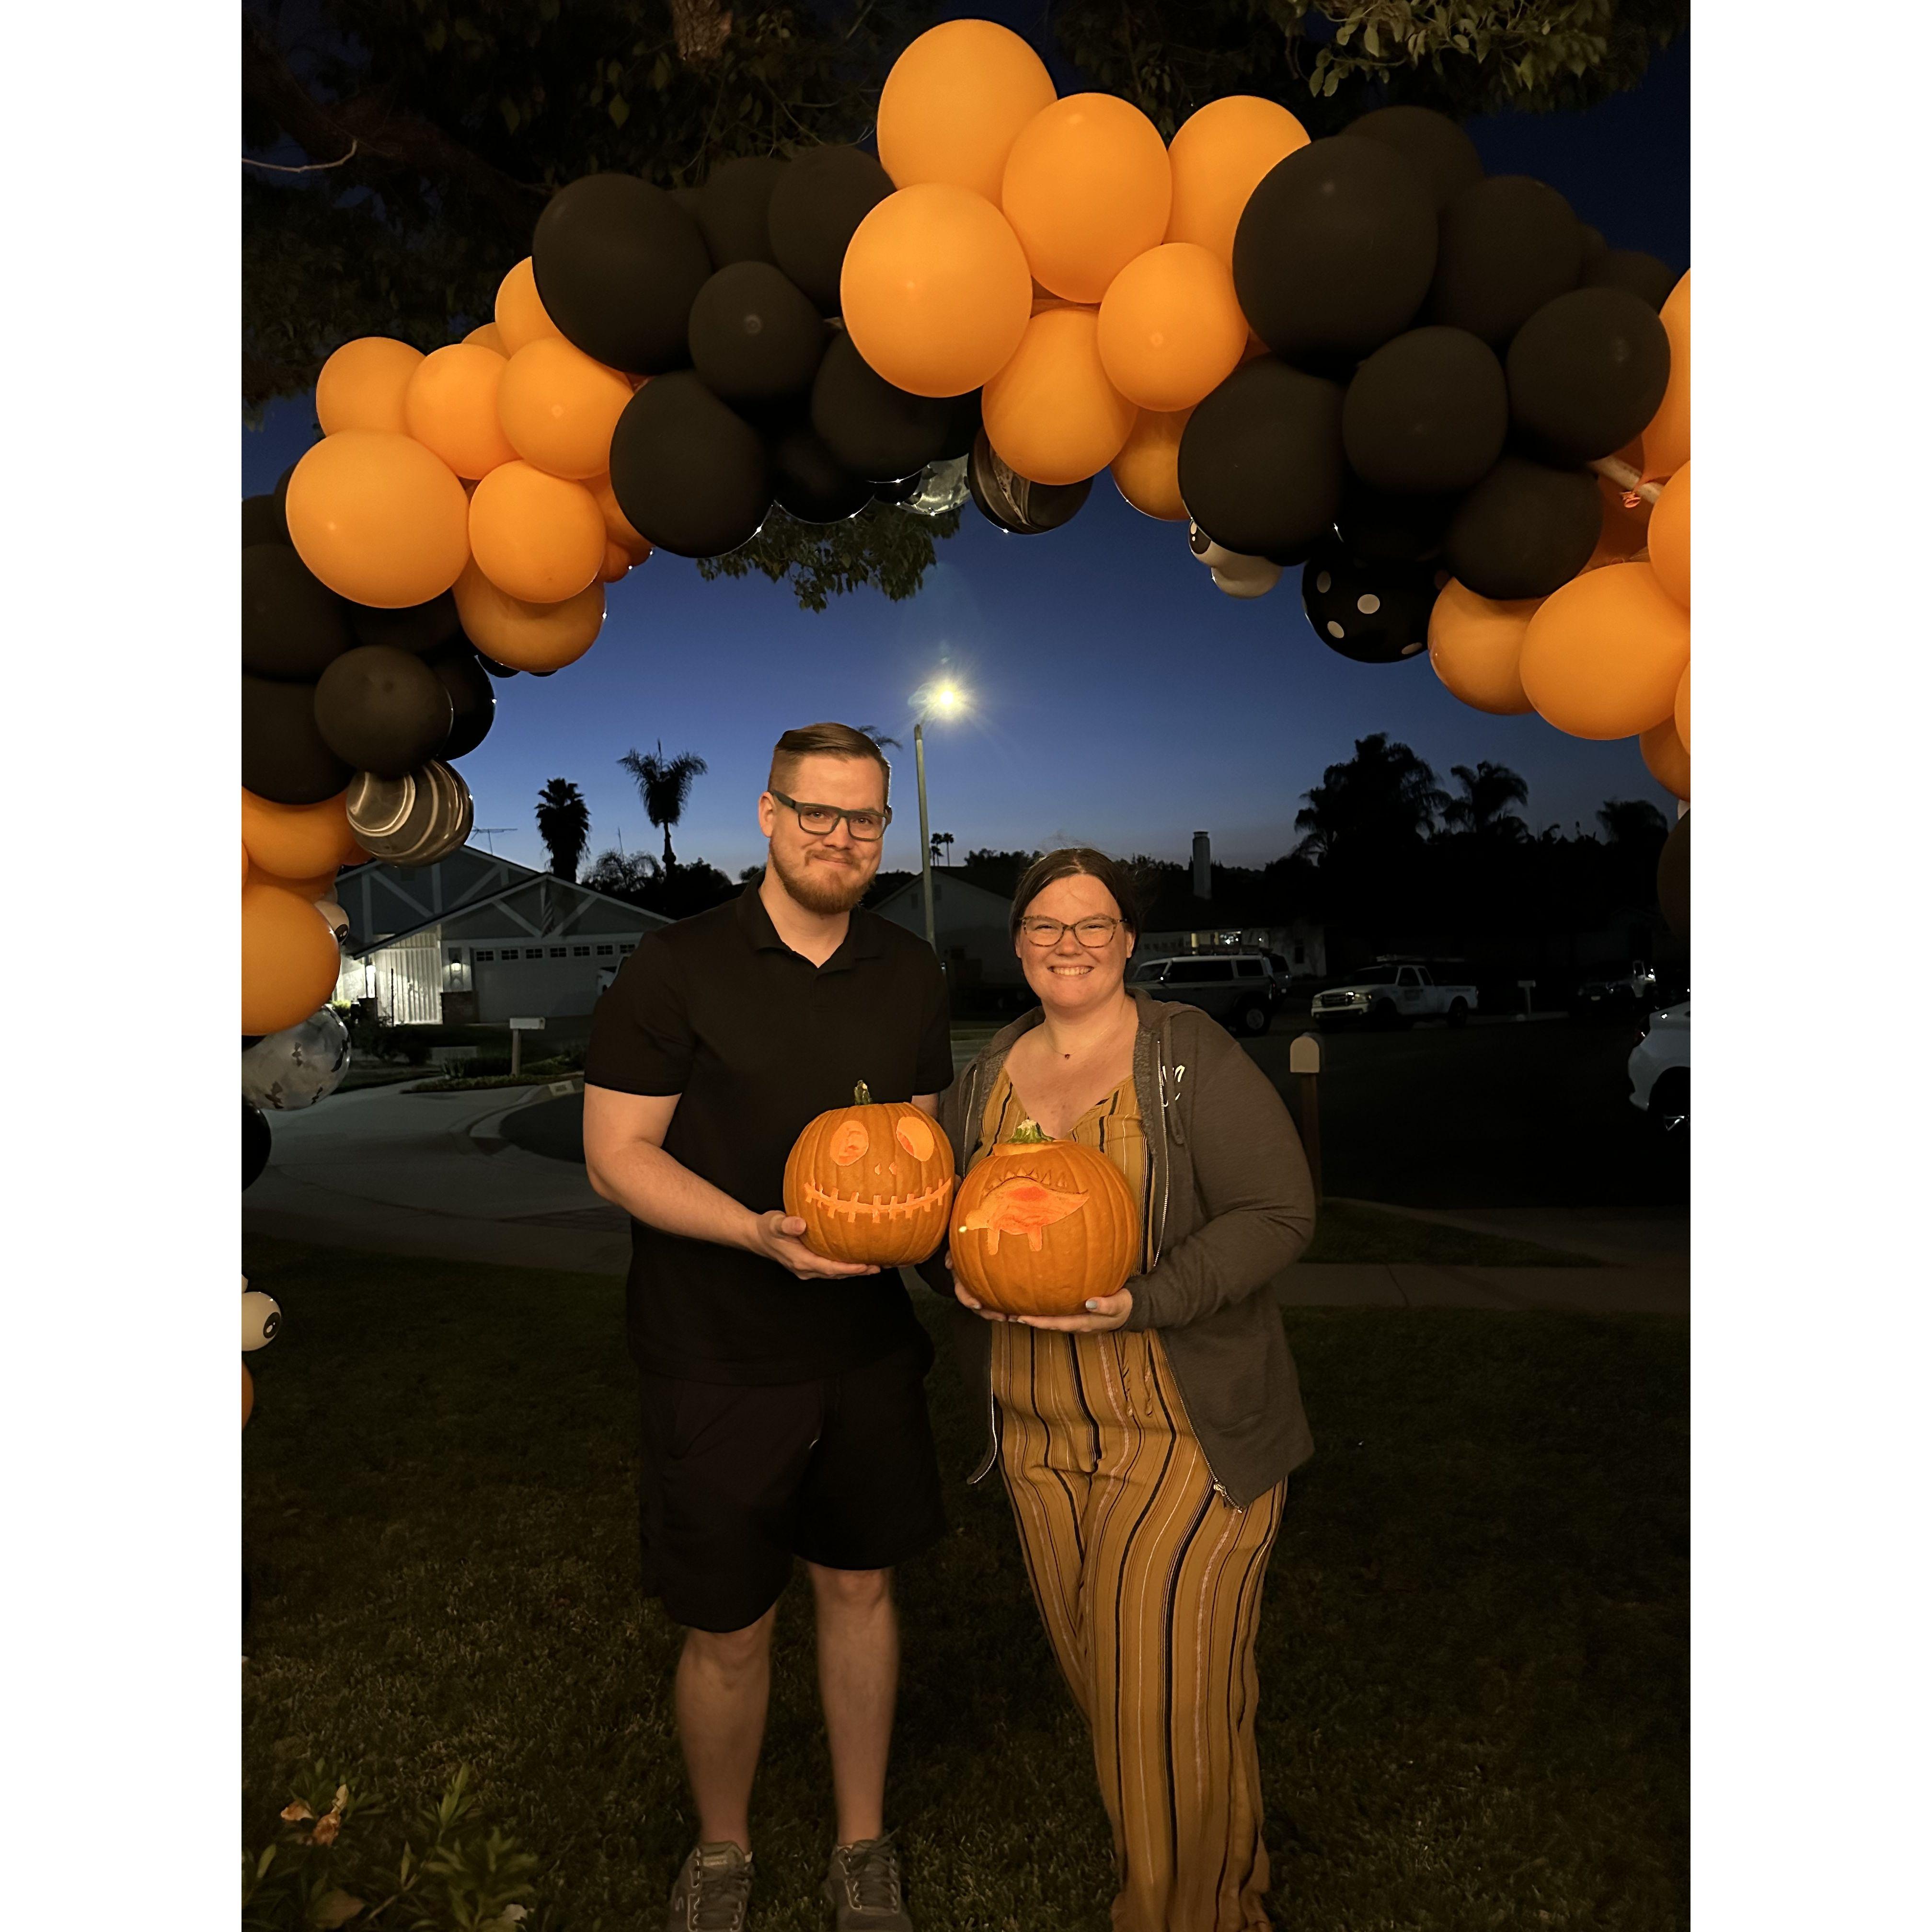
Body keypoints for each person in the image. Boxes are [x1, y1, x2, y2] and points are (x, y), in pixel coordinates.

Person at [583, 722, 953, 1932]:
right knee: (730, 1627)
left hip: (864, 1351)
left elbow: (918, 1154)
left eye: (865, 819)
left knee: (859, 1593)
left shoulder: (908, 971)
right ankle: (725, 1850)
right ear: (767, 813)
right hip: (715, 1351)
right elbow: (616, 1158)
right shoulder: (677, 966)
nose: (842, 839)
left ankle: (861, 1846)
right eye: (819, 814)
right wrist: (754, 1233)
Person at [917, 848, 1316, 1932]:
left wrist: (1145, 1299)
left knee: (1158, 1707)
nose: (1070, 946)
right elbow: (945, 1219)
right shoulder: (989, 1073)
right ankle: (1229, 1893)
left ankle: (1175, 1917)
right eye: (1047, 927)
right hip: (1040, 1436)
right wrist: (940, 1266)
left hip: (1180, 1430)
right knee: (1131, 1696)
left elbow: (1279, 1214)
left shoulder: (1186, 1055)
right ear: (1019, 945)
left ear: (1129, 942)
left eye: (1093, 926)